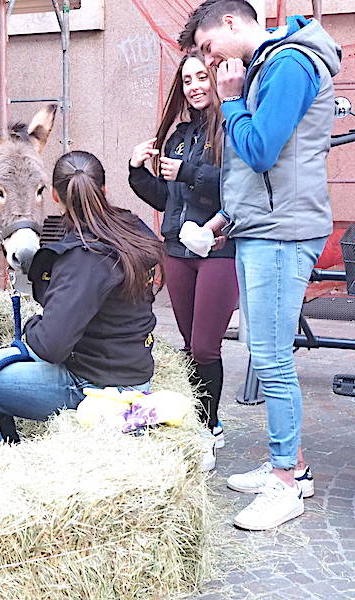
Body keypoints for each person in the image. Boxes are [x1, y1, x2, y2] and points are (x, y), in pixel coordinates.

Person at [178, 0, 341, 530]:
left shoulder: (290, 64)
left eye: (207, 46)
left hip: (282, 233)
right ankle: (288, 466)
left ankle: (285, 484)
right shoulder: (271, 65)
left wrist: (230, 101)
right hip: (262, 228)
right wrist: (224, 220)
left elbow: (262, 150)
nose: (208, 59)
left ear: (230, 22)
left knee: (270, 359)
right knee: (265, 352)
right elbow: (261, 173)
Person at [0, 151, 164, 451]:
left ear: (53, 195)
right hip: (118, 364)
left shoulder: (84, 258)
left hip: (98, 385)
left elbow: (50, 346)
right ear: (104, 190)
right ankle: (9, 448)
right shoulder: (130, 227)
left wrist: (32, 325)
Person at [128, 52, 238, 473]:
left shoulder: (232, 127)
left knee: (207, 346)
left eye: (202, 77)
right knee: (191, 346)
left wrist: (188, 172)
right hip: (177, 249)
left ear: (217, 79)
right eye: (188, 79)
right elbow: (167, 199)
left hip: (219, 249)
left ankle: (209, 429)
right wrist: (138, 173)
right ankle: (202, 421)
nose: (194, 86)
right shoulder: (177, 136)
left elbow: (236, 191)